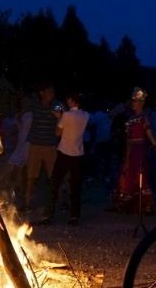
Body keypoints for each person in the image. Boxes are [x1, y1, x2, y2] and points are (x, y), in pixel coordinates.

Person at [111, 87, 156, 213]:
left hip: (140, 150)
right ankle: (125, 203)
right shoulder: (129, 119)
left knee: (141, 175)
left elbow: (150, 136)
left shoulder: (143, 118)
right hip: (130, 150)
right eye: (132, 101)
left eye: (135, 101)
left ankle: (146, 204)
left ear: (141, 103)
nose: (133, 104)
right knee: (127, 174)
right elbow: (128, 139)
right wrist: (127, 153)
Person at [47, 92, 90, 224]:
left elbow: (57, 133)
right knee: (75, 185)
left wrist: (59, 118)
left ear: (71, 101)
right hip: (78, 154)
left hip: (64, 152)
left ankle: (49, 214)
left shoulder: (66, 115)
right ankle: (74, 216)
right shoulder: (86, 115)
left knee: (55, 182)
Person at [24, 84, 61, 213]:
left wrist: (59, 117)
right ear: (42, 93)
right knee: (31, 175)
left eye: (52, 92)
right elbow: (25, 110)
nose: (52, 94)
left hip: (50, 144)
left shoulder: (57, 105)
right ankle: (27, 202)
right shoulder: (35, 105)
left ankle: (54, 203)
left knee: (53, 175)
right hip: (36, 144)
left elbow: (62, 119)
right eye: (49, 91)